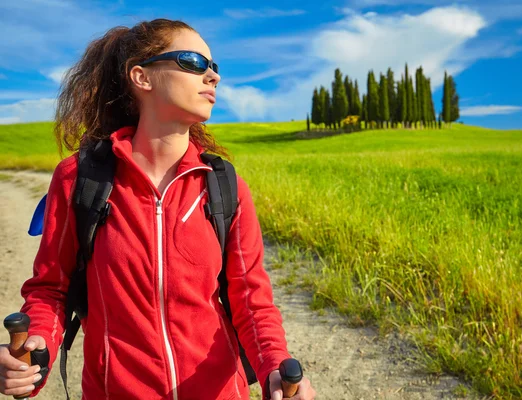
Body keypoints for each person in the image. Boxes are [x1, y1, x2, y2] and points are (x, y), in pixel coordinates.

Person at [0, 18, 316, 400]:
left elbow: (253, 303)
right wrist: (34, 351)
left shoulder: (224, 186)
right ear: (141, 77)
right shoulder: (81, 179)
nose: (212, 77)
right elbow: (51, 289)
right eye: (194, 63)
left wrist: (273, 367)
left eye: (214, 68)